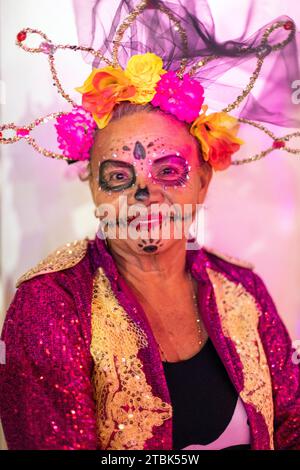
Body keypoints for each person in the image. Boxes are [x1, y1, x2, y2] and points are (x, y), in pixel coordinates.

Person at [0, 0, 299, 451]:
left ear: (202, 182)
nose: (145, 193)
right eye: (119, 176)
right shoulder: (50, 302)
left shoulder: (243, 288)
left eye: (168, 171)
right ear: (94, 190)